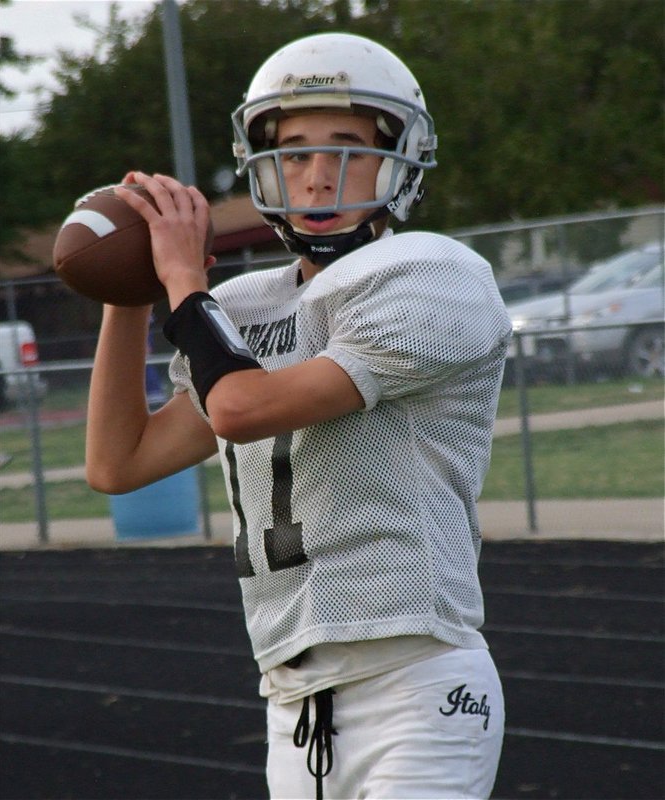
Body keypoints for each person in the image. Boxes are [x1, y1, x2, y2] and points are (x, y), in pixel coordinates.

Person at [86, 32, 511, 800]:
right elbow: (119, 464)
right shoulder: (243, 306)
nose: (317, 178)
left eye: (346, 148)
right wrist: (126, 292)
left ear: (400, 162)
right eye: (293, 153)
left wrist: (183, 281)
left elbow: (243, 408)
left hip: (413, 682)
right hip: (290, 704)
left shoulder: (436, 276)